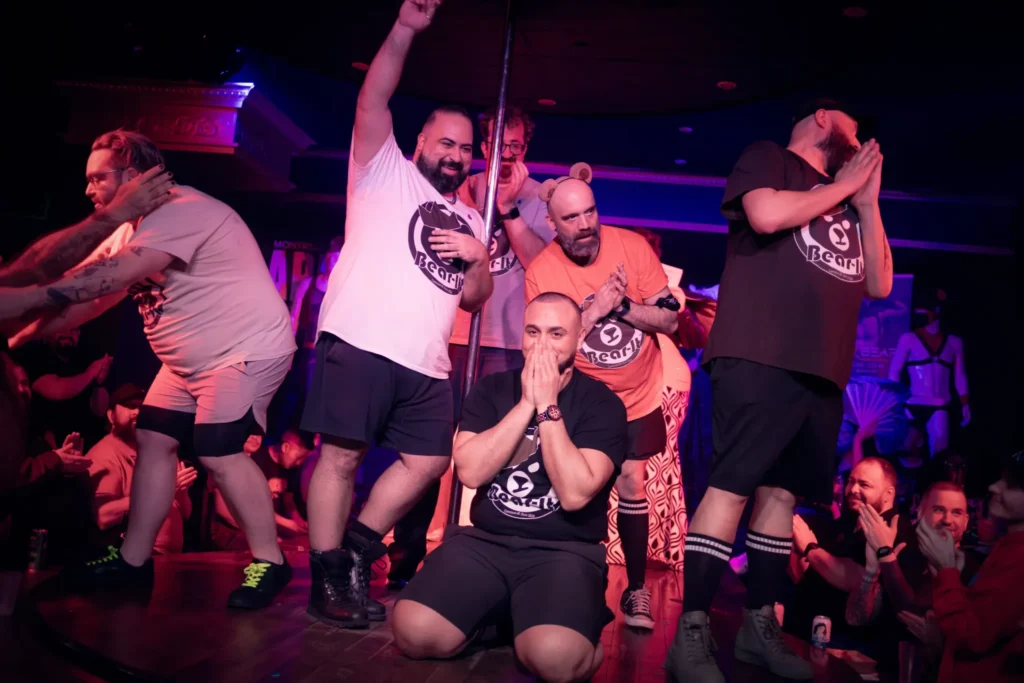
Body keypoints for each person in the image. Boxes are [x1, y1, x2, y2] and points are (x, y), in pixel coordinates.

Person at [0, 129, 297, 609]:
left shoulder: (182, 210)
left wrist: (21, 302)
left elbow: (108, 278)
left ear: (135, 176)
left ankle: (270, 560)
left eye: (98, 178)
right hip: (185, 363)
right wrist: (17, 337)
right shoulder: (129, 228)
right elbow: (89, 297)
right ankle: (133, 561)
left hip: (242, 350)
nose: (88, 189)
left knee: (219, 450)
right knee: (154, 438)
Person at [666, 98, 893, 682]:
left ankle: (758, 625)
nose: (858, 140)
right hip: (759, 353)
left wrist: (866, 202)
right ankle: (691, 630)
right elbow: (765, 215)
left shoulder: (848, 199)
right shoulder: (770, 158)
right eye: (853, 126)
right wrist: (842, 188)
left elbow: (879, 282)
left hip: (822, 370)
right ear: (823, 116)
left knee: (781, 498)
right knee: (732, 488)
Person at [300, 0, 491, 629]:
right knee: (341, 458)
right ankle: (328, 579)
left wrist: (478, 257)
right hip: (360, 341)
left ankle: (355, 551)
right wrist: (406, 28)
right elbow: (372, 98)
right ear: (420, 143)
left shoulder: (471, 217)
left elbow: (475, 298)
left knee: (431, 462)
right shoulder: (382, 170)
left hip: (427, 364)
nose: (456, 154)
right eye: (446, 142)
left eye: (466, 148)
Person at [392, 293, 627, 683]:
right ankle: (505, 619)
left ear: (580, 337)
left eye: (556, 334)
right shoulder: (492, 390)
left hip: (563, 551)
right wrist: (525, 405)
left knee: (555, 661)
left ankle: (569, 626)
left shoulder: (602, 404)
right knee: (413, 633)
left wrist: (547, 406)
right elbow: (470, 473)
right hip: (485, 543)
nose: (542, 345)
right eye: (533, 332)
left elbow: (575, 493)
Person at [387, 106, 552, 589]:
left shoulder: (538, 197)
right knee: (428, 445)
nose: (508, 153)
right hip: (452, 337)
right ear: (483, 147)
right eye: (500, 144)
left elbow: (541, 266)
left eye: (516, 146)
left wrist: (508, 208)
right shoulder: (458, 187)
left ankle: (482, 550)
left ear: (526, 149)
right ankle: (406, 552)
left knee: (496, 448)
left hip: (506, 343)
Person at [525, 163, 678, 630]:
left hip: (639, 392)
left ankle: (636, 591)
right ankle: (575, 585)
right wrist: (592, 312)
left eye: (590, 212)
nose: (585, 224)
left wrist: (624, 306)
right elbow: (547, 351)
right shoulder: (542, 270)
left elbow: (670, 319)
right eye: (571, 218)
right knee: (576, 487)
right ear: (552, 223)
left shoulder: (631, 247)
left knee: (632, 481)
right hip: (584, 397)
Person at [904, 451, 1024, 683]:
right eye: (938, 509)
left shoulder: (1018, 558)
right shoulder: (1006, 548)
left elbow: (971, 637)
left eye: (1011, 485)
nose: (994, 487)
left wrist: (946, 572)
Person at [787, 458, 919, 665]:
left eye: (864, 484)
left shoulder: (894, 530)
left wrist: (810, 549)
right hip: (811, 630)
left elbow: (854, 578)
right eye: (851, 481)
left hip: (853, 647)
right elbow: (810, 569)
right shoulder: (850, 520)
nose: (853, 489)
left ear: (888, 494)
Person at [87, 383, 197, 555]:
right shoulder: (105, 454)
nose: (137, 412)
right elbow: (103, 517)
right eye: (130, 406)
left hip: (170, 557)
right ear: (111, 415)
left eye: (143, 407)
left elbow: (186, 513)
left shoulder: (160, 451)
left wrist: (180, 493)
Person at [888, 289, 969, 456]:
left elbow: (960, 376)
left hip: (939, 405)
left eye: (925, 309)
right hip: (911, 404)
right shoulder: (908, 339)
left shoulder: (954, 342)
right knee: (905, 453)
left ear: (937, 311)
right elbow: (894, 372)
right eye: (919, 310)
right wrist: (895, 402)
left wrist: (965, 404)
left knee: (939, 454)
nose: (920, 313)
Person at [13, 327, 112, 449]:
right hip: (45, 447)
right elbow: (57, 390)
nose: (68, 333)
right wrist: (90, 374)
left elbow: (99, 408)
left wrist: (99, 382)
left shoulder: (81, 360)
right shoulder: (36, 357)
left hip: (82, 445)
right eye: (63, 327)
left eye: (74, 329)